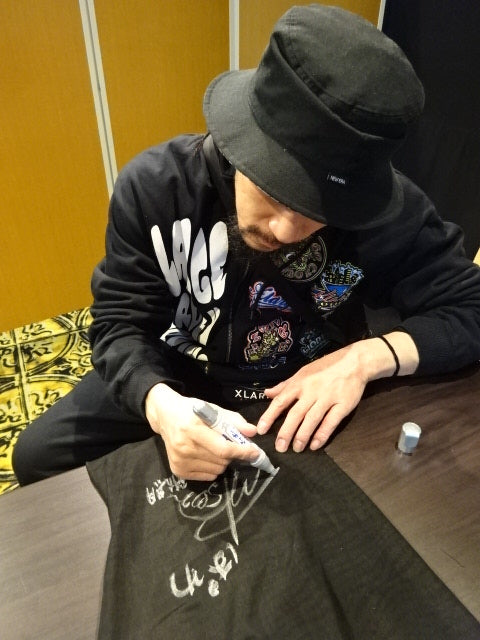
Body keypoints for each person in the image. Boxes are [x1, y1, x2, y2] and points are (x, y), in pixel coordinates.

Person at [13, 4, 480, 485]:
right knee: (36, 458)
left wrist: (363, 359)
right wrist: (161, 406)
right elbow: (118, 322)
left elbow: (471, 308)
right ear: (242, 144)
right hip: (177, 367)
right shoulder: (157, 187)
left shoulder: (386, 214)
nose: (285, 231)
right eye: (275, 191)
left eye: (319, 210)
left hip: (301, 380)